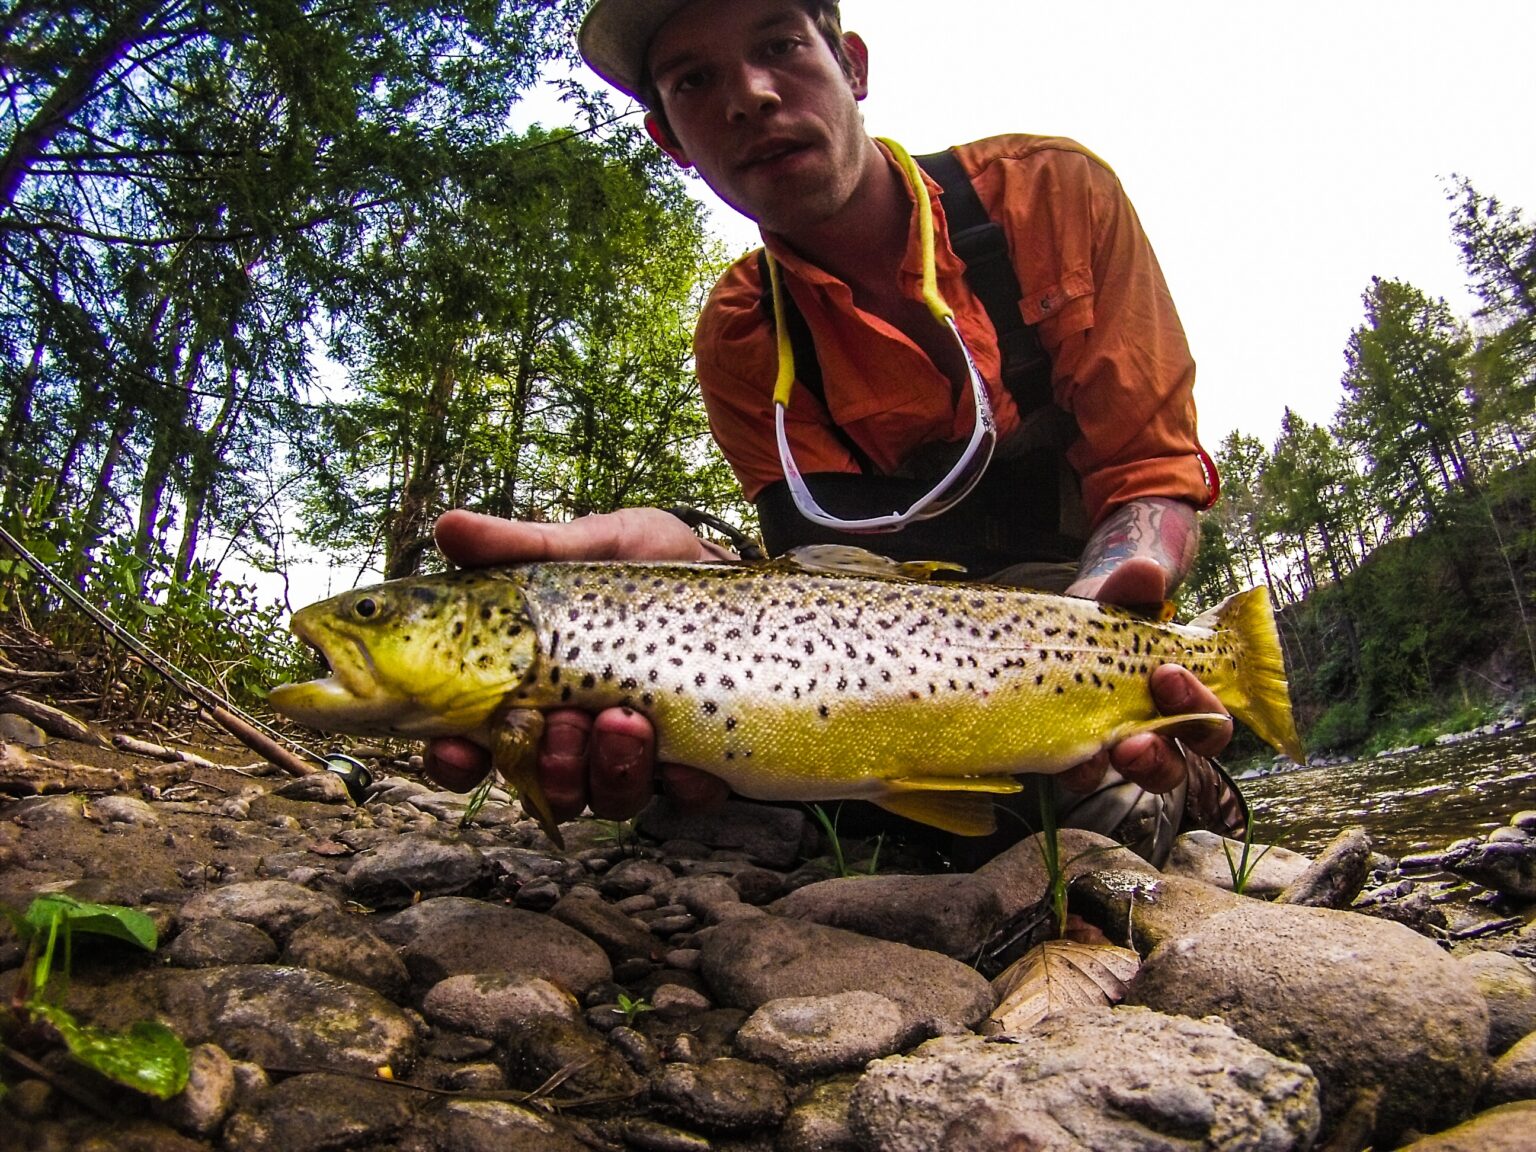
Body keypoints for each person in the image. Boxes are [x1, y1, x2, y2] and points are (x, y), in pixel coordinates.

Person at [426, 0, 1245, 864]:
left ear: (852, 65)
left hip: (1059, 610)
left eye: (780, 44)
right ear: (670, 139)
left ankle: (1191, 777)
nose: (748, 96)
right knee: (704, 774)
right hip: (868, 658)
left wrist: (1094, 629)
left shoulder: (1050, 197)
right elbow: (815, 584)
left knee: (1093, 813)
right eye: (694, 81)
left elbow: (1149, 470)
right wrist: (677, 585)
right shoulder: (741, 333)